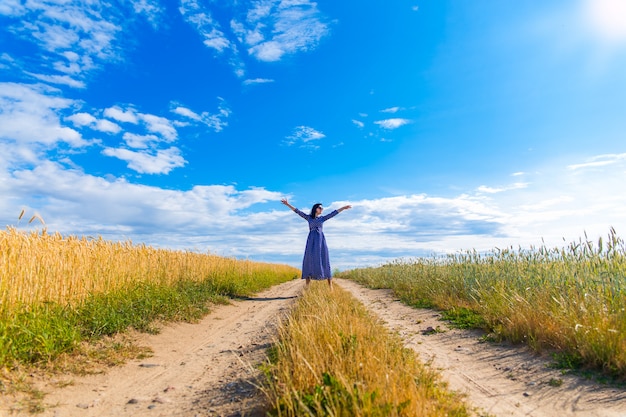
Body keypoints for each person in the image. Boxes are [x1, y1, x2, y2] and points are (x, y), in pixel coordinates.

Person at [281, 198, 352, 288]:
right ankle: (307, 287)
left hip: (321, 241)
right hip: (311, 241)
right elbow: (297, 211)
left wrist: (343, 208)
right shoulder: (308, 218)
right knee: (309, 260)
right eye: (320, 208)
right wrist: (288, 204)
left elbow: (333, 213)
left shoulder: (322, 218)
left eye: (322, 208)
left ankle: (330, 287)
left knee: (324, 259)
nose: (322, 210)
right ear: (316, 209)